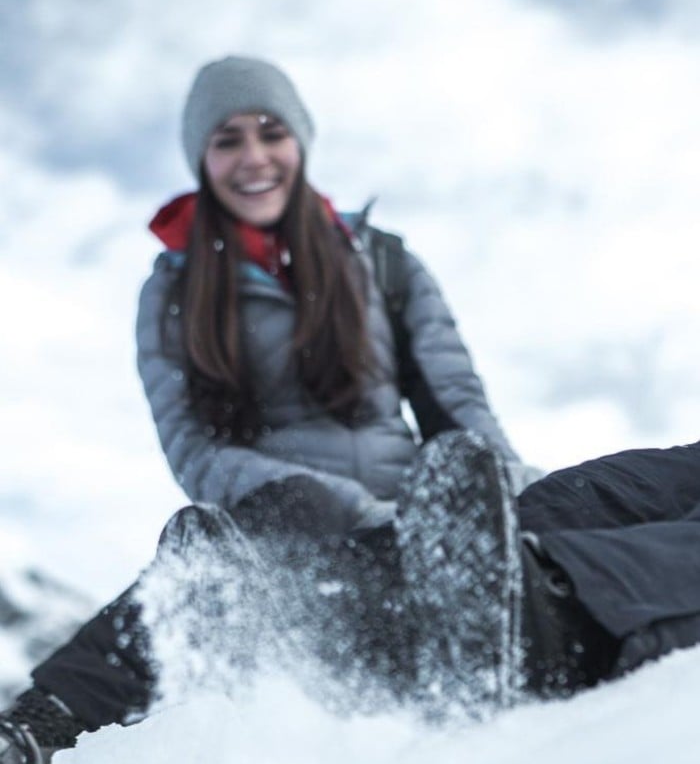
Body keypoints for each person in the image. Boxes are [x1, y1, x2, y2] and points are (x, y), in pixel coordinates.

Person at [2, 57, 699, 763]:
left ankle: (523, 587)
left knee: (591, 492)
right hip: (287, 517)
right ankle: (46, 719)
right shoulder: (173, 294)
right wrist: (355, 508)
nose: (253, 157)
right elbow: (194, 447)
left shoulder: (383, 262)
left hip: (438, 510)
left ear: (299, 140)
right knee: (286, 509)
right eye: (228, 139)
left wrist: (504, 487)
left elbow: (456, 404)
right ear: (202, 159)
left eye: (270, 132)